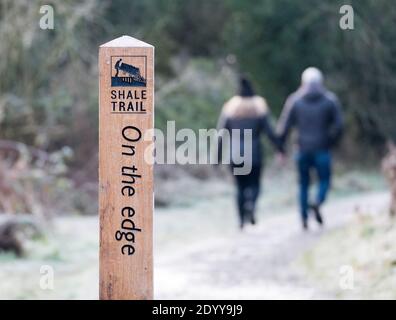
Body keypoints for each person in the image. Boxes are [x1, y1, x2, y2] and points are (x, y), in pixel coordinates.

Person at [277, 67, 343, 230]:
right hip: (322, 148)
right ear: (320, 82)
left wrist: (281, 149)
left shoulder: (295, 100)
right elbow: (339, 125)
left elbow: (284, 127)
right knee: (325, 180)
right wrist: (331, 141)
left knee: (303, 184)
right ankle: (317, 201)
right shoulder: (330, 100)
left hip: (301, 149)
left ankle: (304, 218)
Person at [217, 76, 282, 229]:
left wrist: (217, 157)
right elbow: (270, 133)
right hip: (254, 154)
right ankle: (251, 204)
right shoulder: (258, 108)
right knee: (255, 185)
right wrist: (280, 148)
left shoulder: (230, 108)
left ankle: (241, 220)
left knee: (240, 188)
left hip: (235, 155)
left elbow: (220, 135)